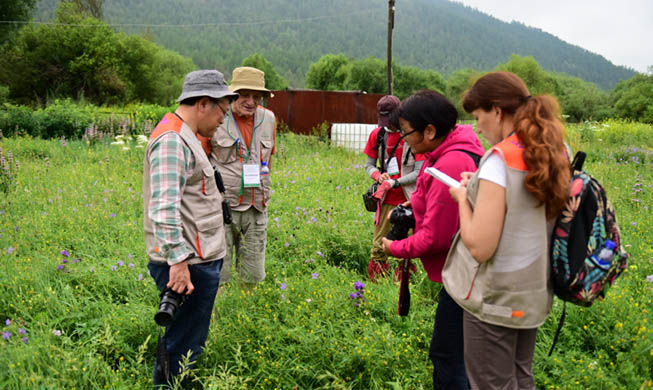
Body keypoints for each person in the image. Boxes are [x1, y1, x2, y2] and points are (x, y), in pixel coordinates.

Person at [443, 71, 570, 390]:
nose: (476, 127)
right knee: (520, 377)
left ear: (496, 111)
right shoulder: (554, 149)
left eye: (477, 116)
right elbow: (524, 206)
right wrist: (481, 188)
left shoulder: (500, 159)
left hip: (495, 298)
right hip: (533, 293)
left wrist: (462, 199)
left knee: (491, 383)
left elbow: (480, 247)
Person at [381, 90, 484, 389]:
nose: (404, 139)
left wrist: (393, 248)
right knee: (457, 354)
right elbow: (431, 199)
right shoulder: (444, 154)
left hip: (466, 275)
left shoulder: (450, 163)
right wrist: (409, 208)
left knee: (448, 356)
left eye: (406, 132)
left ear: (430, 130)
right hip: (466, 271)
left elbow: (435, 238)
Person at [144, 69, 237, 388]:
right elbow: (163, 208)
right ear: (202, 103)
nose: (223, 121)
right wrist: (179, 263)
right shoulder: (173, 141)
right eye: (223, 112)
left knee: (188, 342)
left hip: (196, 260)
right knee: (182, 346)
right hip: (188, 265)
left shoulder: (184, 135)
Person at [212, 66, 277, 289]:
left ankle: (245, 317)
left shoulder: (269, 119)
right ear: (233, 94)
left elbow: (269, 159)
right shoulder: (216, 116)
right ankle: (217, 319)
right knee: (217, 274)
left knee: (253, 274)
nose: (251, 101)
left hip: (256, 207)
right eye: (245, 95)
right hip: (222, 208)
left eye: (256, 96)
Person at [364, 95, 425, 281]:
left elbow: (419, 171)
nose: (387, 125)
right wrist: (378, 176)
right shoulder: (378, 135)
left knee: (405, 247)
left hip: (408, 200)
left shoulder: (412, 135)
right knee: (378, 247)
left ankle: (404, 286)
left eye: (390, 120)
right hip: (385, 200)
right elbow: (369, 165)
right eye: (383, 120)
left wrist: (396, 182)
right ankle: (377, 286)